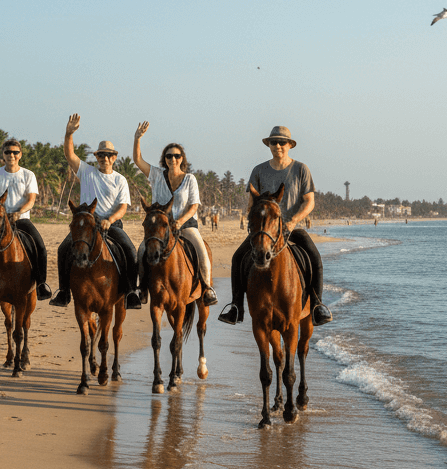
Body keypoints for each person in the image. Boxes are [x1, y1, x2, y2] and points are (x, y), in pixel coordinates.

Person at [218, 125, 332, 327]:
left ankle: (317, 304)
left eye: (282, 142)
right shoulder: (259, 170)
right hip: (265, 230)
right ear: (269, 145)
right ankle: (236, 306)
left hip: (292, 228)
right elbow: (252, 201)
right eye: (274, 142)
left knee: (315, 257)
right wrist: (252, 216)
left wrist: (293, 220)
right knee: (238, 258)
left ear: (290, 145)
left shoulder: (300, 169)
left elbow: (309, 201)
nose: (278, 146)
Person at [49, 114, 142, 310]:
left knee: (130, 251)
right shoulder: (86, 172)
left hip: (111, 223)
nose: (104, 159)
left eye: (108, 155)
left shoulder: (120, 180)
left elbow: (123, 207)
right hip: (87, 224)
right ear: (96, 157)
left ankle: (131, 291)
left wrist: (110, 219)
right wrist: (69, 134)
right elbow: (69, 155)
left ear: (114, 158)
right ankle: (64, 291)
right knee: (63, 249)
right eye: (100, 155)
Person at [132, 122, 217, 305]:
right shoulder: (156, 175)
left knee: (201, 249)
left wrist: (179, 221)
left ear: (182, 159)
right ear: (165, 159)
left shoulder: (189, 179)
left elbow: (194, 206)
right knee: (141, 251)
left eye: (176, 156)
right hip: (161, 228)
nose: (173, 159)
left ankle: (207, 288)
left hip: (185, 225)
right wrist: (138, 137)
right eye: (169, 156)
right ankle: (142, 289)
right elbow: (138, 160)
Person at [0, 138, 52, 300]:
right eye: (8, 152)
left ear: (20, 155)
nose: (11, 155)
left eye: (15, 152)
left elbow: (31, 200)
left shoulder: (28, 175)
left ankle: (41, 284)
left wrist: (18, 212)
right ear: (3, 155)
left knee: (40, 246)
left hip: (21, 219)